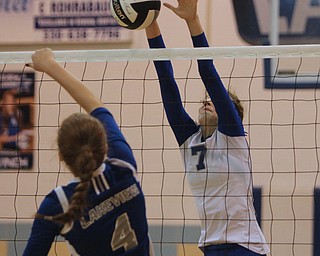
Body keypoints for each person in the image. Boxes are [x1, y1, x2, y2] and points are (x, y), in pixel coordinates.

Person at [145, 0, 270, 255]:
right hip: (210, 247)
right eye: (205, 99)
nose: (206, 100)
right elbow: (165, 79)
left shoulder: (233, 136)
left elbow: (208, 72)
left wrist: (193, 21)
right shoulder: (189, 141)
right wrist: (149, 21)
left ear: (230, 113)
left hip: (245, 247)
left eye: (214, 100)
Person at [23, 48, 154, 256]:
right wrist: (50, 66)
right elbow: (96, 106)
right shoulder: (122, 164)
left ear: (62, 157)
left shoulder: (58, 203)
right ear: (104, 143)